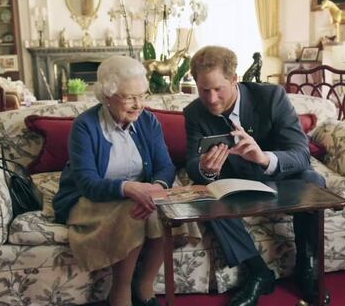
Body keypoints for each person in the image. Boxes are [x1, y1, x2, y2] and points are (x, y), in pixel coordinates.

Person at [183, 46, 326, 306]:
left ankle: (307, 267)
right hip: (234, 185)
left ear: (234, 79)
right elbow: (192, 163)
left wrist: (263, 158)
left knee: (314, 181)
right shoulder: (194, 112)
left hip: (278, 180)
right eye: (204, 90)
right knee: (200, 194)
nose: (212, 99)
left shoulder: (271, 97)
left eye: (218, 89)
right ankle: (258, 272)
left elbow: (301, 154)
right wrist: (206, 168)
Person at [53, 55, 176, 306]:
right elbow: (87, 183)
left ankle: (144, 285)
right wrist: (129, 188)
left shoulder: (148, 121)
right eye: (129, 97)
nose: (138, 104)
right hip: (90, 198)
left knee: (163, 211)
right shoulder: (85, 126)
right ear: (107, 96)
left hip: (141, 194)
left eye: (142, 95)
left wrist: (158, 188)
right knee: (133, 212)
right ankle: (121, 292)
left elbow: (165, 166)